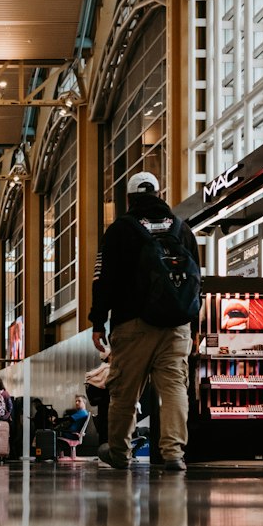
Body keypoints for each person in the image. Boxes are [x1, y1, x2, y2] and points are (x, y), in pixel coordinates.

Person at [89, 171, 200, 472]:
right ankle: (174, 453)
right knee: (175, 388)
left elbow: (103, 280)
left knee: (124, 391)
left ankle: (119, 453)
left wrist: (98, 321)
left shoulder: (121, 229)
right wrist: (194, 326)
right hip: (177, 326)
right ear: (159, 194)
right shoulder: (182, 229)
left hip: (133, 324)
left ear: (130, 198)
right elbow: (195, 282)